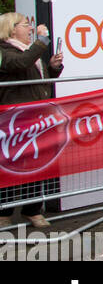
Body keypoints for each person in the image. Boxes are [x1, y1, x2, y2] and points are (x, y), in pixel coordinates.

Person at [0, 13, 62, 229]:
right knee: (10, 164)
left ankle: (32, 210)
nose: (30, 28)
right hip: (13, 121)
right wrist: (42, 42)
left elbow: (39, 83)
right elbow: (19, 64)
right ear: (11, 29)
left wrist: (52, 67)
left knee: (37, 164)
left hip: (37, 119)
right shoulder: (4, 52)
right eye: (26, 25)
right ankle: (4, 212)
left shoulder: (31, 53)